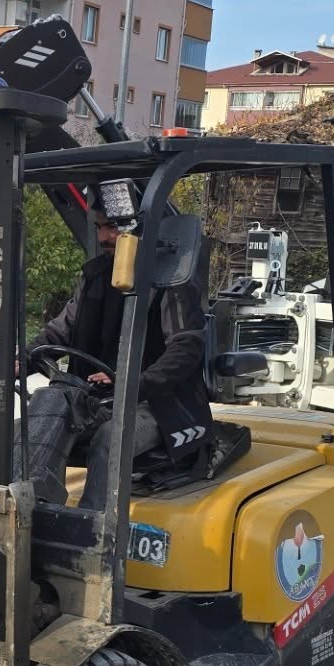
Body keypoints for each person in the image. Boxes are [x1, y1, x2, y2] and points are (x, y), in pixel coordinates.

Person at [20, 207, 209, 510]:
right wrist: (22, 360)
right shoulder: (97, 276)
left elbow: (185, 348)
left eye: (111, 227)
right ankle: (32, 508)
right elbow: (59, 332)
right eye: (99, 227)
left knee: (111, 437)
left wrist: (133, 382)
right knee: (37, 420)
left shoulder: (172, 282)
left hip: (158, 404)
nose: (103, 237)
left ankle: (91, 532)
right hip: (101, 398)